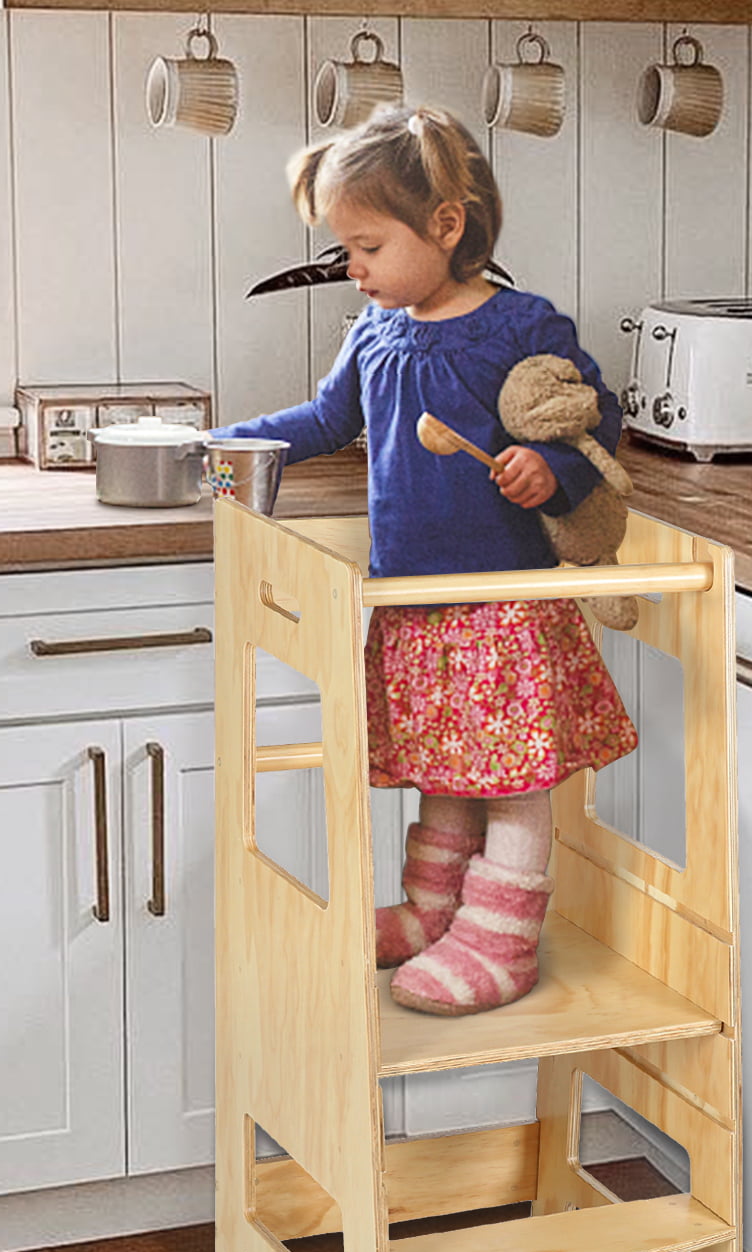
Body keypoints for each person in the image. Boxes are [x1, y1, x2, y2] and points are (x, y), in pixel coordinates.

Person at [214, 103, 637, 1018]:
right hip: (415, 604)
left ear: (446, 226)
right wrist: (214, 446)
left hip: (503, 606)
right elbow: (321, 424)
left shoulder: (523, 327)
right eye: (343, 250)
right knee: (445, 766)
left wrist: (548, 468)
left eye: (365, 247)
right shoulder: (374, 334)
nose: (350, 269)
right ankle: (434, 909)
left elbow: (592, 420)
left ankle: (502, 936)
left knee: (512, 781)